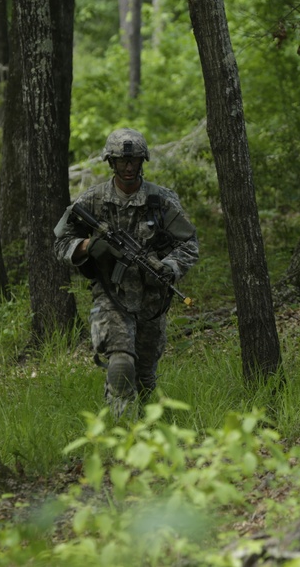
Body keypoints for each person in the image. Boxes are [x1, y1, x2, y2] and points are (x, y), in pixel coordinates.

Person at [54, 128, 199, 417]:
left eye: (134, 161)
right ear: (111, 162)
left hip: (151, 300)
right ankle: (121, 432)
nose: (129, 167)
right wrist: (87, 245)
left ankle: (151, 430)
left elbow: (190, 244)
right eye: (122, 161)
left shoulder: (161, 201)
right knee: (121, 363)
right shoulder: (93, 201)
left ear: (142, 162)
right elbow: (60, 242)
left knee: (145, 375)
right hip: (110, 295)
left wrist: (168, 267)